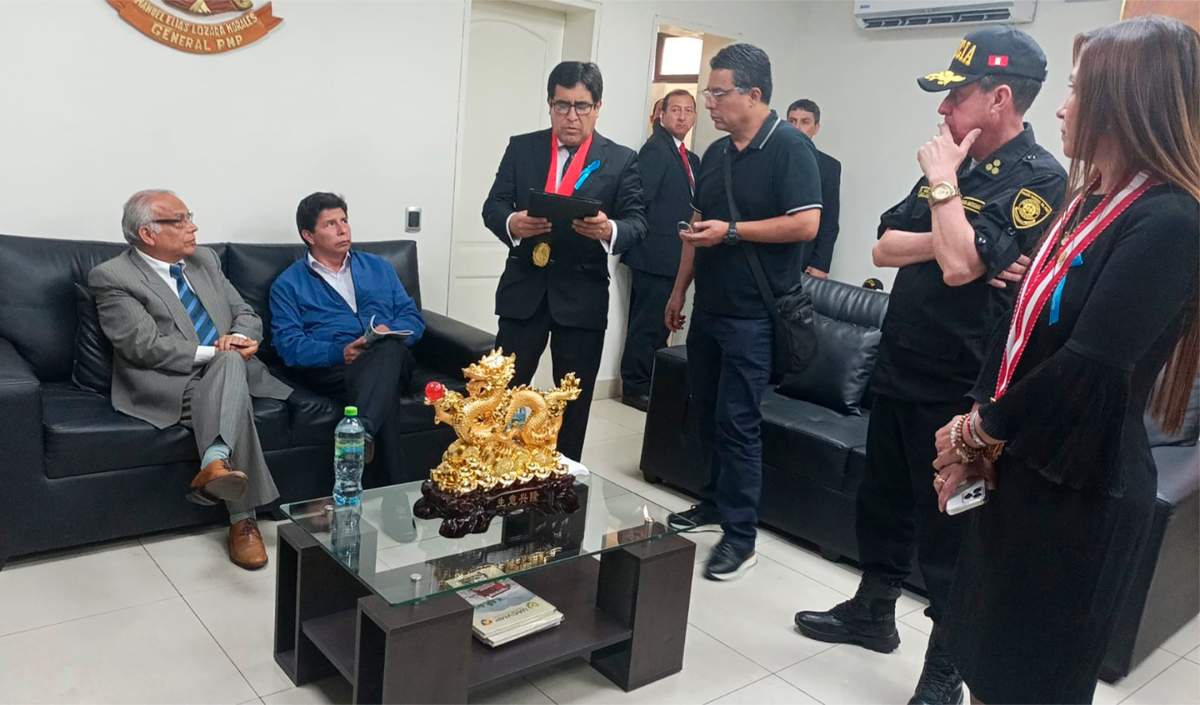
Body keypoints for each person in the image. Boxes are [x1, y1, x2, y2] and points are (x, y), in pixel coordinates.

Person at [792, 26, 1067, 705]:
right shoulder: (954, 162)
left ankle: (945, 667)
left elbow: (958, 264)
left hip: (958, 383)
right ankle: (872, 612)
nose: (943, 109)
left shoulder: (1039, 177)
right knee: (881, 501)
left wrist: (946, 196)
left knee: (949, 533)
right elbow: (885, 246)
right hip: (901, 361)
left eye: (958, 95)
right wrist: (957, 231)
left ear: (1001, 97)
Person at [932, 16, 1199, 704]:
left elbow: (1089, 364)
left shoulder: (1170, 221)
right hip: (1022, 466)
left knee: (1033, 682)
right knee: (988, 668)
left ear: (1124, 99)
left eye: (1077, 89)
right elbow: (1020, 326)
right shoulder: (1086, 200)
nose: (1061, 103)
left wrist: (977, 430)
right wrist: (979, 424)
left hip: (1081, 489)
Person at [664, 43, 822, 580]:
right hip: (710, 307)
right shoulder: (715, 154)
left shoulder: (790, 149)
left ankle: (741, 535)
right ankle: (711, 503)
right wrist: (677, 291)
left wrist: (733, 232)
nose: (709, 103)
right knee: (705, 411)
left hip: (757, 316)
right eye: (708, 92)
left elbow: (806, 225)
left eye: (718, 92)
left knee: (739, 422)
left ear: (753, 94)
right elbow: (697, 225)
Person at [88, 189, 293, 570]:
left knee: (230, 367)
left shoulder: (205, 261)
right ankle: (242, 520)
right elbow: (142, 346)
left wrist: (242, 339)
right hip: (166, 380)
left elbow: (244, 312)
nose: (192, 227)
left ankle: (216, 464)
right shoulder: (113, 277)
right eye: (179, 220)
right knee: (229, 369)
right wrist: (218, 352)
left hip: (226, 369)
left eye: (190, 217)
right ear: (148, 234)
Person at [481, 61, 647, 461]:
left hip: (581, 295)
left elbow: (638, 221)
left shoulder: (621, 159)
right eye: (562, 105)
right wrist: (513, 222)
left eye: (582, 106)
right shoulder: (522, 147)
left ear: (598, 106)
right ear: (550, 104)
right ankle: (499, 465)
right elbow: (493, 205)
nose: (571, 116)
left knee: (572, 397)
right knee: (507, 389)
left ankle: (564, 474)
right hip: (525, 290)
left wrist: (609, 230)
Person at [269, 192, 425, 467]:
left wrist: (392, 329)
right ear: (309, 235)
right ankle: (395, 497)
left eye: (344, 220)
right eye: (330, 224)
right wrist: (338, 352)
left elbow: (411, 316)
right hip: (335, 369)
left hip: (391, 357)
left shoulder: (379, 267)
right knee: (383, 394)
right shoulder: (288, 284)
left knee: (387, 349)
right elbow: (288, 344)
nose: (343, 229)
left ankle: (360, 430)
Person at [619, 88, 700, 410]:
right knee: (646, 324)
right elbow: (641, 203)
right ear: (661, 115)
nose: (682, 116)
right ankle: (635, 386)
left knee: (662, 324)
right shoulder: (656, 150)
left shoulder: (690, 157)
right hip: (654, 255)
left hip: (676, 256)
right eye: (675, 110)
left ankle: (653, 381)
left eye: (688, 110)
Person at [786, 98, 841, 279]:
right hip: (766, 254)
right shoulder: (769, 159)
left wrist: (820, 264)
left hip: (805, 257)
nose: (797, 127)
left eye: (805, 122)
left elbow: (830, 220)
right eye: (792, 121)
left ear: (816, 128)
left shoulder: (829, 167)